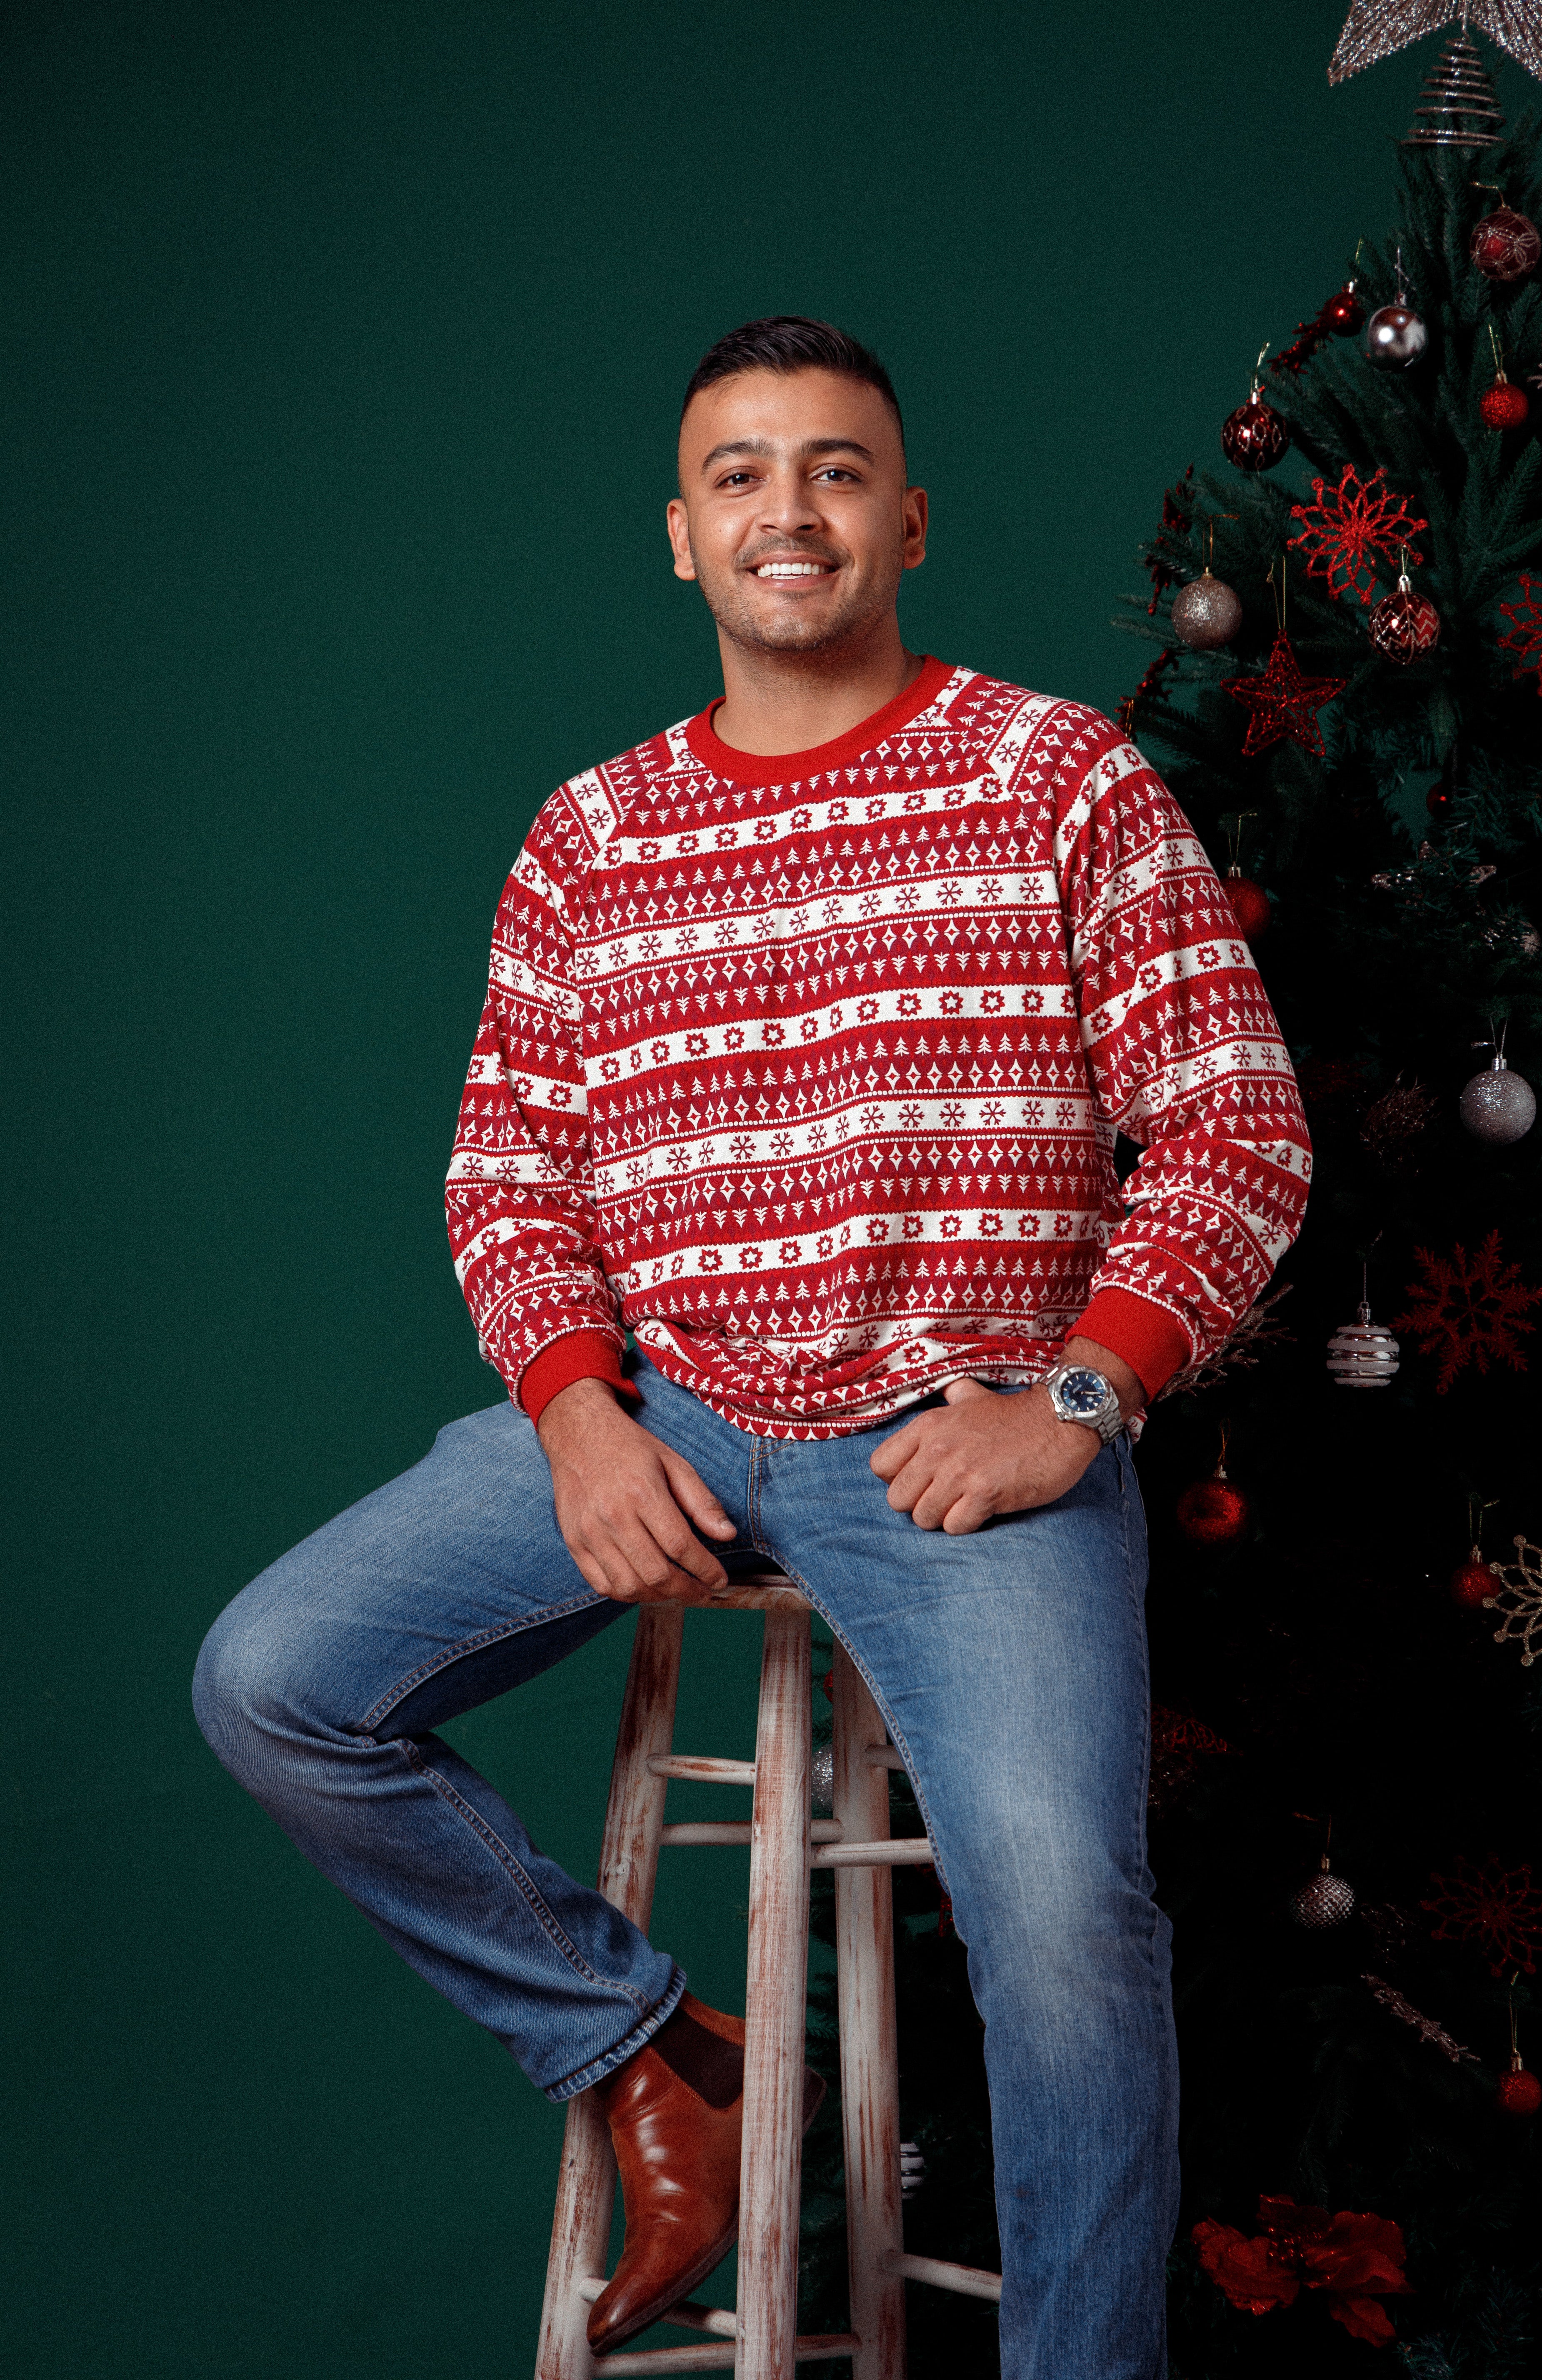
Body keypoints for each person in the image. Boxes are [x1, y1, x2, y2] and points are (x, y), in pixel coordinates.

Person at [194, 315, 1310, 2377]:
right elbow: (506, 1178)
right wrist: (573, 1419)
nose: (786, 512)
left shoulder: (1059, 777)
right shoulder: (590, 834)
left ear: (909, 522)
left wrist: (1080, 1396)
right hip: (673, 1411)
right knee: (274, 1679)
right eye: (740, 476)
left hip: (959, 1437)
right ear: (681, 537)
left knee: (1066, 1917)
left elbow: (1236, 1127)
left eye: (833, 470)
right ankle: (648, 2047)